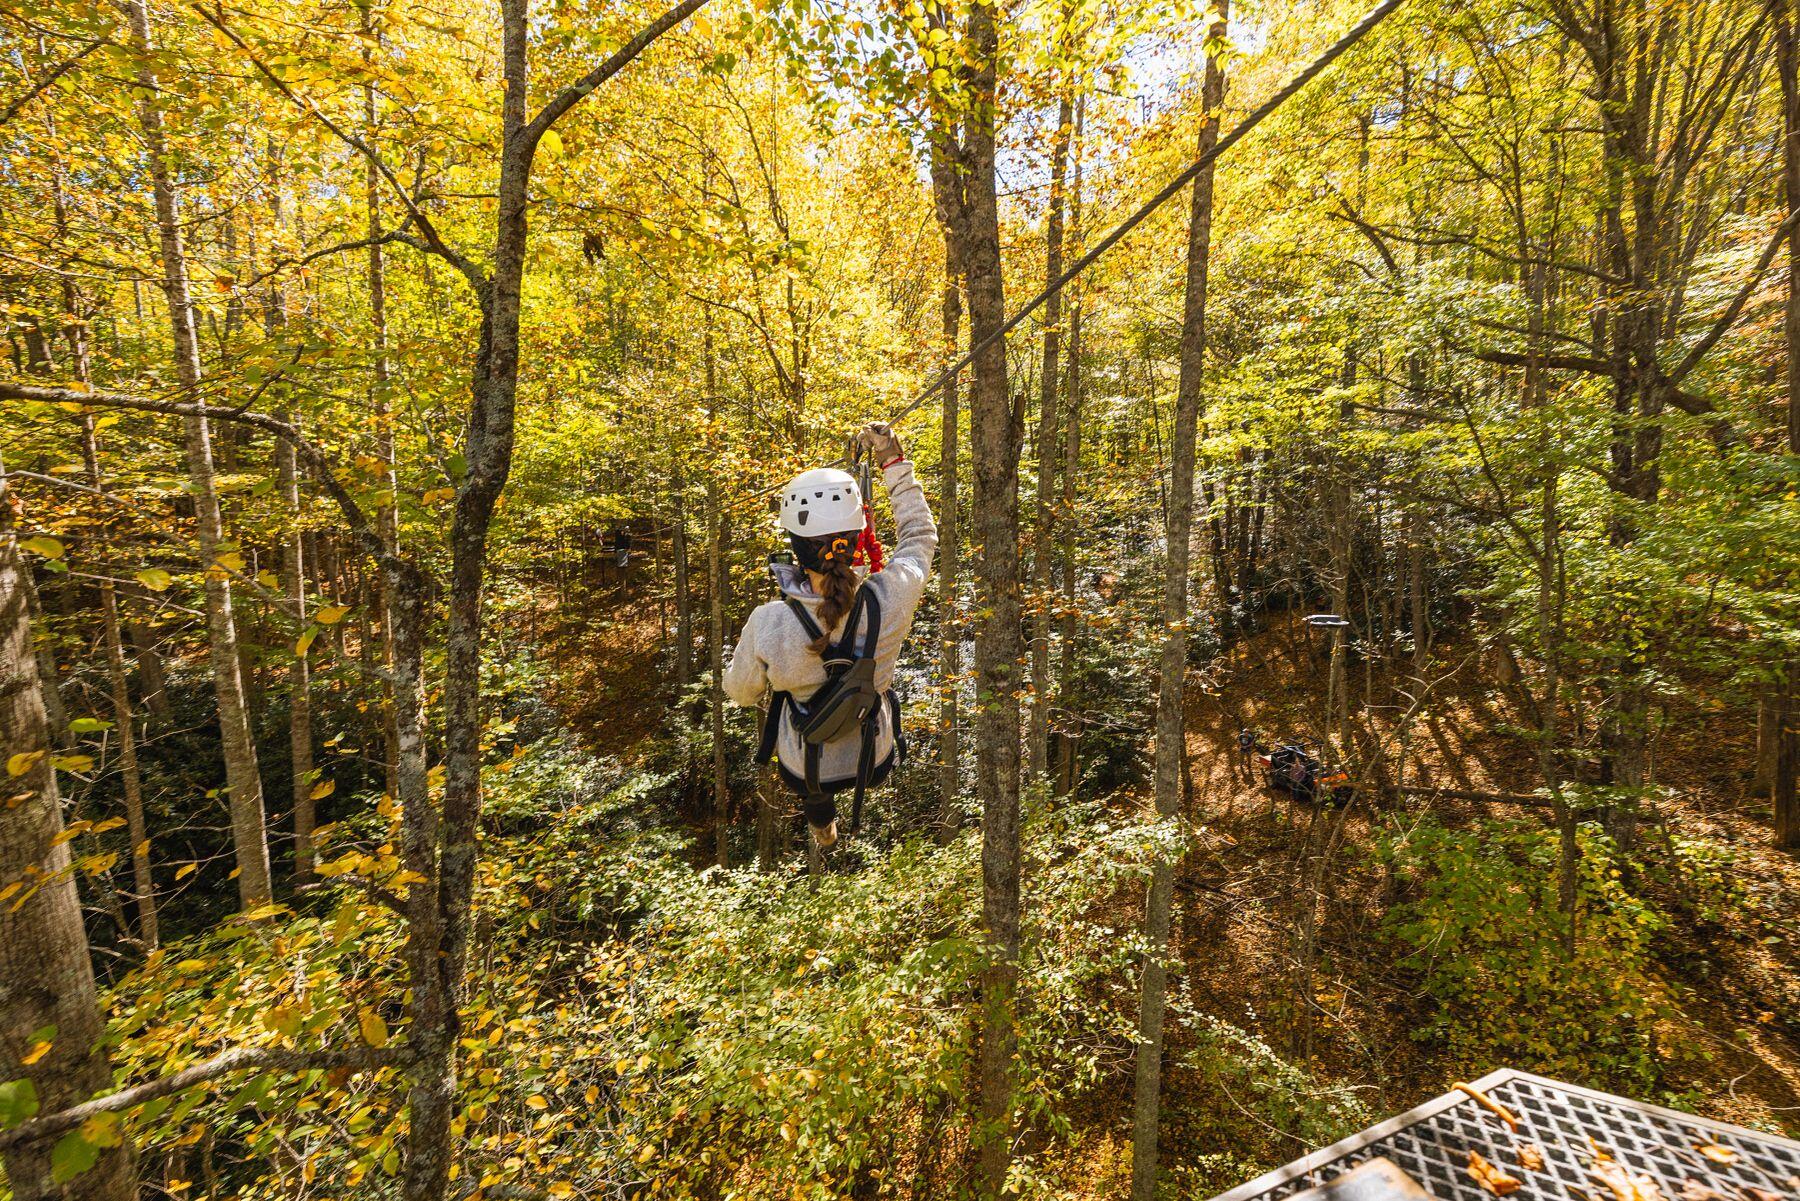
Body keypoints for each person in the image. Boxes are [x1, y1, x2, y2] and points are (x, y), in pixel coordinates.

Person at [723, 422, 938, 850]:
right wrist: (893, 461)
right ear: (858, 536)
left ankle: (823, 825)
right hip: (873, 757)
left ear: (795, 545)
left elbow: (741, 694)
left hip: (804, 765)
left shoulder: (768, 623)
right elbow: (919, 537)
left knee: (806, 755)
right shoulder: (890, 598)